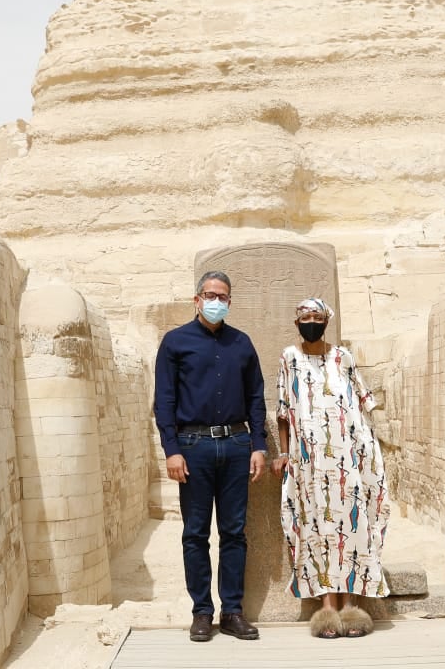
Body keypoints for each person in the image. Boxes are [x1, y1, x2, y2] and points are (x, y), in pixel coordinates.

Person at [153, 270, 268, 642]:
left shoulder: (242, 343)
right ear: (197, 299)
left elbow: (255, 397)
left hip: (236, 446)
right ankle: (201, 612)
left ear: (230, 302)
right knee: (195, 533)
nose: (215, 301)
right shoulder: (175, 342)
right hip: (193, 447)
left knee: (234, 532)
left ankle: (232, 611)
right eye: (209, 294)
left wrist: (259, 446)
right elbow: (165, 400)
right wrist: (171, 450)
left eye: (222, 296)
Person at [272, 297, 389, 639]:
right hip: (309, 463)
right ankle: (326, 609)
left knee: (352, 528)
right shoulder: (289, 358)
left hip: (350, 458)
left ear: (327, 320)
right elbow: (283, 410)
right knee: (317, 530)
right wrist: (285, 453)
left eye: (317, 316)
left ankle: (351, 606)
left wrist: (372, 450)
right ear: (297, 323)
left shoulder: (343, 357)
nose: (311, 321)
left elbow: (363, 402)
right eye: (305, 316)